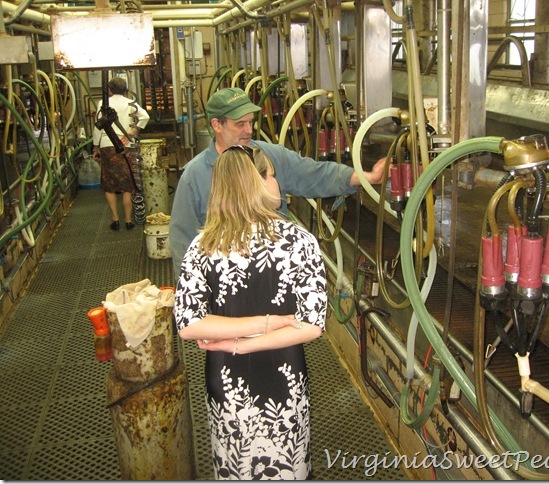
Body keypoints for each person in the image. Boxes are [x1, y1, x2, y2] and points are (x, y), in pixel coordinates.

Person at [173, 145, 327, 480]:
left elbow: (188, 324)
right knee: (288, 464)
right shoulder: (299, 241)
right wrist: (265, 326)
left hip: (227, 382)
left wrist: (236, 344)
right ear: (254, 183)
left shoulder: (202, 247)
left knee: (235, 464)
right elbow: (311, 325)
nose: (276, 182)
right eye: (271, 174)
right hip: (283, 381)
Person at [169, 87, 386, 277]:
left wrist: (365, 178)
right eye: (240, 124)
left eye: (250, 122)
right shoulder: (195, 176)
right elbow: (182, 241)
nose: (249, 130)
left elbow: (313, 173)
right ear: (217, 124)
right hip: (224, 282)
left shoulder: (269, 155)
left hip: (272, 271)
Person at [92, 76, 150, 231]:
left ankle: (115, 219)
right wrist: (132, 132)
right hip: (125, 145)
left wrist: (95, 146)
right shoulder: (130, 103)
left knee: (109, 185)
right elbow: (145, 116)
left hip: (107, 145)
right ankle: (129, 220)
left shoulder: (102, 104)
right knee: (127, 185)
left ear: (109, 90)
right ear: (125, 89)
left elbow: (98, 127)